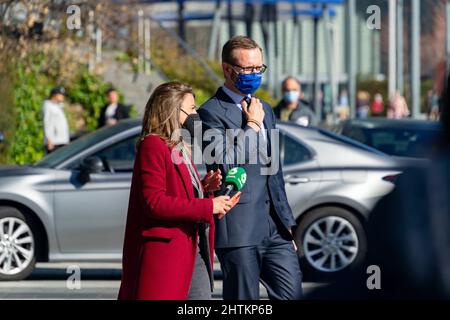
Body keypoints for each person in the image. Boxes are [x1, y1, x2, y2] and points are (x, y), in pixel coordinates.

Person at [198, 36, 303, 300]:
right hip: (240, 227)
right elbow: (225, 163)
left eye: (259, 68)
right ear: (227, 69)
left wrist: (285, 222)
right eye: (247, 69)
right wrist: (252, 126)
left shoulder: (264, 108)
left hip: (274, 228)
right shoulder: (210, 112)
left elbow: (273, 170)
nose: (254, 75)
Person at [118, 82, 234, 300]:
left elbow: (177, 192)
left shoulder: (176, 146)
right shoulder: (153, 146)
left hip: (192, 246)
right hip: (168, 252)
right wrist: (209, 206)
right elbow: (154, 202)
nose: (196, 114)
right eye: (191, 108)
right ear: (172, 109)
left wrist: (203, 187)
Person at [42, 87, 70, 153]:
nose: (63, 96)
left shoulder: (58, 106)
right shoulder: (48, 105)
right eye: (61, 94)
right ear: (54, 95)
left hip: (62, 140)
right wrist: (49, 139)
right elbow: (47, 123)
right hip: (54, 142)